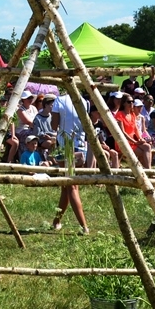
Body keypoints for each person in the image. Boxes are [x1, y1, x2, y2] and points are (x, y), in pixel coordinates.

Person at [50, 93, 89, 234]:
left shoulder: (59, 101)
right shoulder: (83, 101)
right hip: (81, 145)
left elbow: (54, 125)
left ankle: (84, 226)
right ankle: (57, 220)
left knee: (71, 185)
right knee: (66, 186)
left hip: (66, 145)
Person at [114, 93, 153, 168]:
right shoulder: (119, 114)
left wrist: (141, 139)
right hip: (124, 142)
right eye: (129, 102)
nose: (131, 103)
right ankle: (146, 171)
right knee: (142, 153)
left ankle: (148, 170)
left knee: (147, 147)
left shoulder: (134, 115)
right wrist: (135, 141)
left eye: (132, 101)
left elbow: (137, 129)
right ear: (124, 103)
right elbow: (122, 132)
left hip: (134, 141)